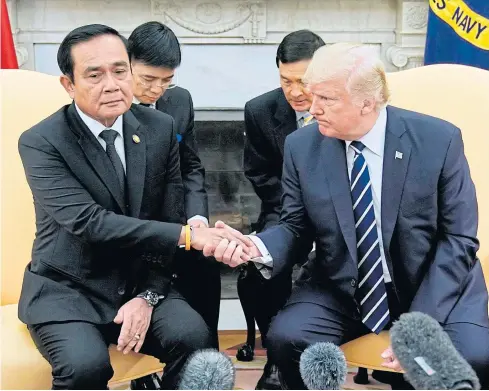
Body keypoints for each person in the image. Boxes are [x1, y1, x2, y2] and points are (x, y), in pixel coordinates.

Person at [210, 43, 489, 389]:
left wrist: (421, 325)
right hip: (344, 285)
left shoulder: (439, 141)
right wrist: (256, 247)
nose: (313, 109)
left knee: (473, 358)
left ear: (367, 102)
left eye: (326, 99)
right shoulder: (302, 145)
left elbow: (458, 239)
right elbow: (295, 226)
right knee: (287, 338)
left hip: (430, 283)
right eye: (313, 97)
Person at [17, 24, 251, 390]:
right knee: (85, 366)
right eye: (95, 75)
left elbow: (170, 216)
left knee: (195, 340)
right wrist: (192, 236)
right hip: (69, 290)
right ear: (68, 84)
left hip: (139, 282)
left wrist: (148, 295)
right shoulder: (41, 142)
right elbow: (89, 222)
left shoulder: (158, 128)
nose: (112, 84)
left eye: (120, 70)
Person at [127, 23, 221, 389]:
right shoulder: (108, 105)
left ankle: (204, 371)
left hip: (178, 221)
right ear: (127, 63)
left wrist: (198, 220)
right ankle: (143, 371)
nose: (156, 90)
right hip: (134, 228)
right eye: (149, 79)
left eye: (166, 80)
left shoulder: (179, 100)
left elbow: (191, 164)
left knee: (205, 266)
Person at [239, 30, 325, 389]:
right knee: (261, 266)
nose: (295, 92)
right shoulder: (260, 110)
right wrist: (297, 210)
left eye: (303, 81)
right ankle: (276, 360)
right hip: (284, 207)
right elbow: (259, 173)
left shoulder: (340, 106)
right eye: (285, 80)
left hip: (344, 211)